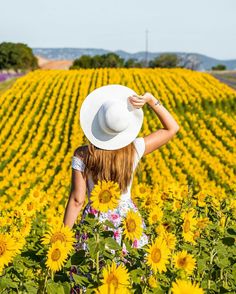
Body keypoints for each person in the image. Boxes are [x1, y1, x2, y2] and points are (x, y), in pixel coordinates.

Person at [63, 84, 180, 252]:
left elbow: (77, 200)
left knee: (92, 270)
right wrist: (151, 100)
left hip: (95, 223)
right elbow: (172, 128)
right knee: (128, 270)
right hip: (128, 223)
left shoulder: (83, 154)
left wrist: (63, 237)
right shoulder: (135, 149)